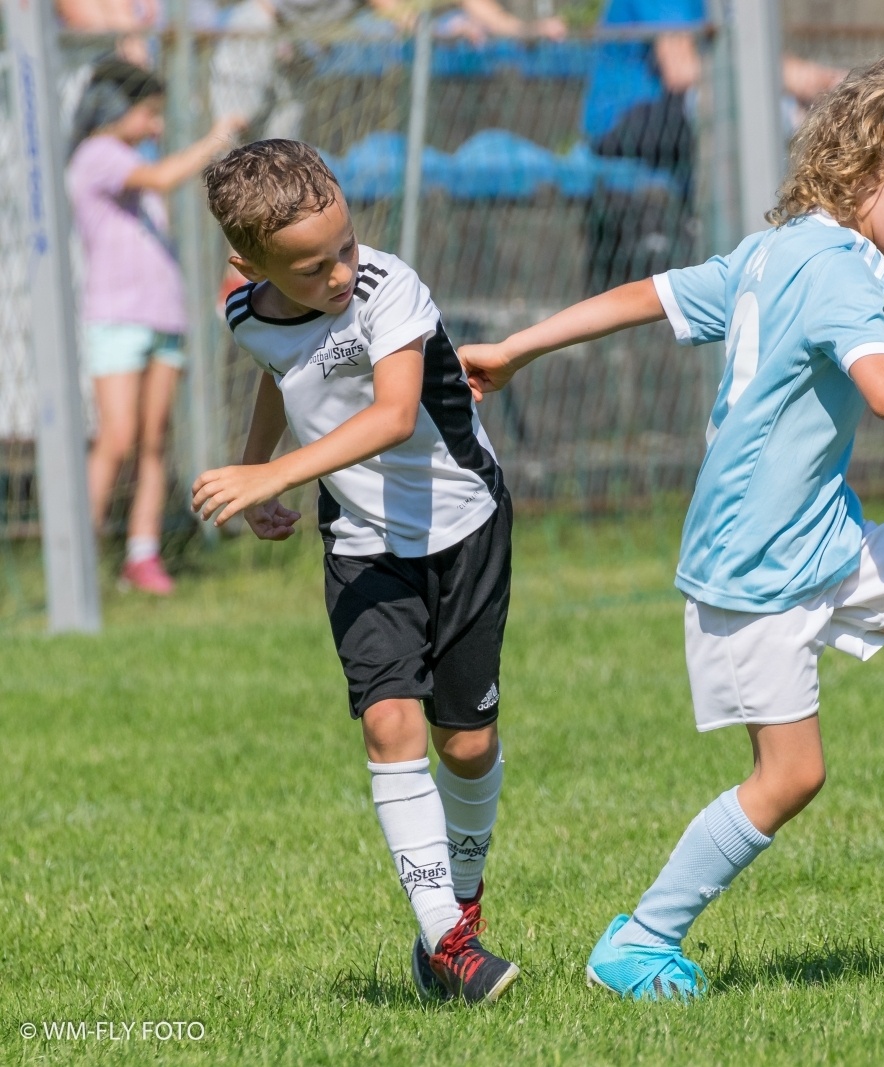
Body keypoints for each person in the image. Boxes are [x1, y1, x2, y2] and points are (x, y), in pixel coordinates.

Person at [461, 48, 884, 1000]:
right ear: (872, 169)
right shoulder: (833, 271)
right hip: (753, 562)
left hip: (826, 532)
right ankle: (639, 942)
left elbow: (648, 294)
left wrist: (520, 347)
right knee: (789, 777)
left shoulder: (777, 249)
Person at [191, 139, 519, 1004]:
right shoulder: (245, 312)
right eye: (309, 268)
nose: (338, 274)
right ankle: (446, 939)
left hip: (464, 527)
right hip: (362, 542)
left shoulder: (388, 285)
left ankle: (464, 905)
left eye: (343, 247)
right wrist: (258, 464)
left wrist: (273, 473)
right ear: (248, 263)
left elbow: (393, 414)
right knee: (388, 728)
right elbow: (280, 372)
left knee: (469, 742)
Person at [67, 58, 245, 595]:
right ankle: (76, 555)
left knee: (154, 441)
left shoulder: (127, 159)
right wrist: (215, 139)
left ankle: (141, 555)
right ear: (115, 109)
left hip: (162, 313)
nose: (156, 127)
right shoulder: (98, 155)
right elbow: (166, 175)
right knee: (117, 437)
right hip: (117, 317)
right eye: (148, 114)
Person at [580, 0, 844, 294]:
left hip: (676, 120)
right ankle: (768, 256)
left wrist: (814, 82)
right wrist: (792, 76)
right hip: (627, 123)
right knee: (752, 104)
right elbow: (681, 70)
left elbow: (747, 55)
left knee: (805, 113)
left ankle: (834, 256)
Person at [210, 0, 563, 142]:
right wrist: (440, 29)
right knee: (231, 140)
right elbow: (402, 16)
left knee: (275, 157)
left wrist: (532, 30)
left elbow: (485, 13)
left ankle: (244, 284)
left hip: (298, 51)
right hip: (258, 32)